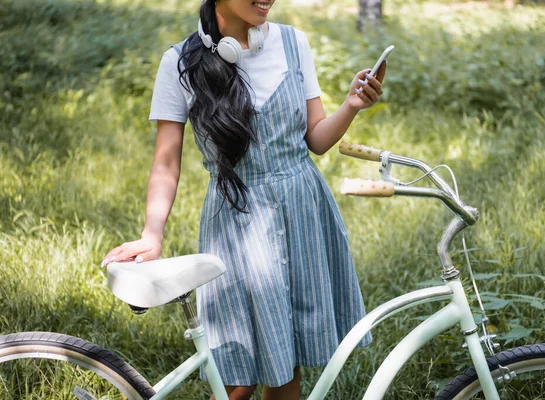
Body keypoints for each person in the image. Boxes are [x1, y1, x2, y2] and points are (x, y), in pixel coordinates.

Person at [102, 0, 386, 398]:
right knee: (242, 372)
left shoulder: (293, 42)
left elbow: (316, 139)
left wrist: (352, 106)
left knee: (288, 359)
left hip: (302, 208)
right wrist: (153, 234)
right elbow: (166, 162)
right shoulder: (180, 63)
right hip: (237, 220)